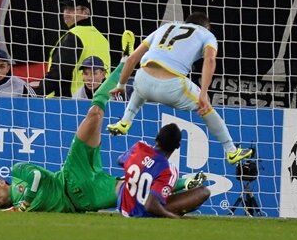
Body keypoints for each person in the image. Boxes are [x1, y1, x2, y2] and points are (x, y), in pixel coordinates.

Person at [0, 56, 203, 212]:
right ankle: (185, 182)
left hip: (70, 175)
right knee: (132, 189)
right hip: (84, 199)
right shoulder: (5, 209)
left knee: (94, 114)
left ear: (2, 183)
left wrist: (25, 204)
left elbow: (37, 175)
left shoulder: (17, 173)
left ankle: (123, 65)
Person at [106, 12, 253, 165]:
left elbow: (132, 58)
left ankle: (125, 121)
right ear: (207, 27)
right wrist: (203, 94)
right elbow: (209, 60)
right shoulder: (207, 35)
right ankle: (231, 150)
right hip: (171, 87)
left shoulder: (166, 27)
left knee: (140, 85)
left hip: (143, 80)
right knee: (205, 106)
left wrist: (121, 86)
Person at [117, 123, 210, 219]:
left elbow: (120, 161)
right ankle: (171, 213)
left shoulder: (139, 147)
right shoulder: (169, 170)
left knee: (124, 180)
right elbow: (150, 205)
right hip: (144, 213)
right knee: (203, 192)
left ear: (156, 139)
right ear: (178, 146)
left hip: (124, 209)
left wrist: (143, 164)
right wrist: (175, 217)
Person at [35, 0, 111, 98]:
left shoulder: (73, 36)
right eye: (65, 9)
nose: (66, 13)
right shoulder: (102, 39)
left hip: (71, 100)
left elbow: (59, 72)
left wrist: (37, 93)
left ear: (86, 12)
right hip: (100, 98)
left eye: (71, 9)